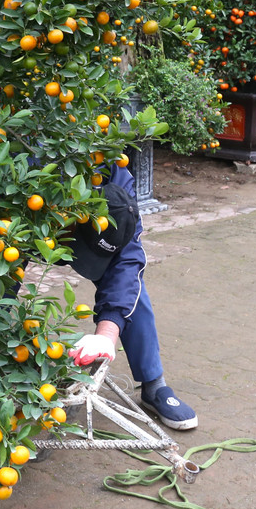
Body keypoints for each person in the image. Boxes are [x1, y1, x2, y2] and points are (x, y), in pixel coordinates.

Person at [67, 164, 198, 430]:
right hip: (36, 224)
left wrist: (107, 334)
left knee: (130, 286)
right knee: (0, 277)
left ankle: (154, 384)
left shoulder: (118, 179)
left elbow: (127, 264)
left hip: (92, 228)